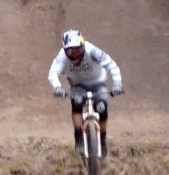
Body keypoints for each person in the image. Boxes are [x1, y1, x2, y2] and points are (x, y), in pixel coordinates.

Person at [48, 29, 124, 157]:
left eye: (78, 49)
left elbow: (111, 65)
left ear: (83, 45)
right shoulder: (62, 57)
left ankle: (102, 140)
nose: (75, 54)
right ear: (65, 50)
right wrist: (58, 88)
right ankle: (78, 138)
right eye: (71, 51)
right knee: (77, 104)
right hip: (78, 86)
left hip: (98, 83)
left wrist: (117, 84)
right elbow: (52, 74)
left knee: (102, 108)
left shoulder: (92, 51)